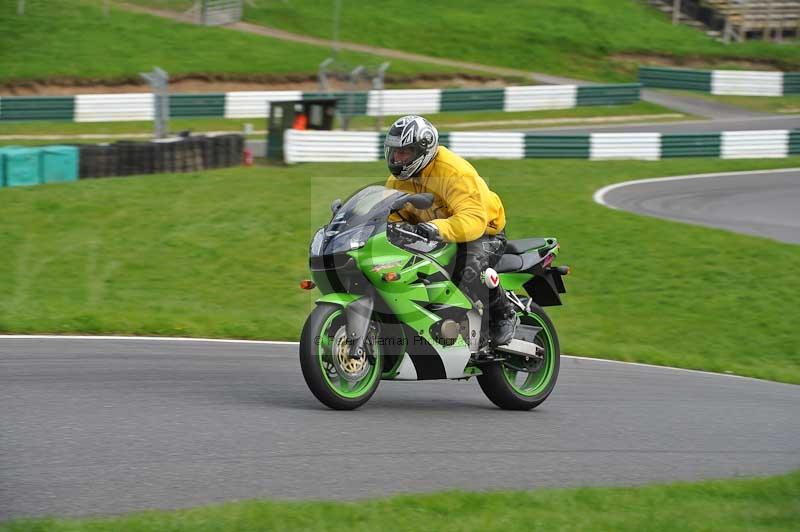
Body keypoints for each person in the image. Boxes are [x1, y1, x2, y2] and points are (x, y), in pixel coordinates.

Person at [384, 115, 517, 346]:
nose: (397, 158)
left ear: (421, 150)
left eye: (404, 152)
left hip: (485, 232)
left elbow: (474, 219)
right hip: (434, 233)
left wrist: (436, 228)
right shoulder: (397, 181)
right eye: (394, 152)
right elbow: (390, 215)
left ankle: (503, 314)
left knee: (468, 269)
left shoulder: (454, 171)